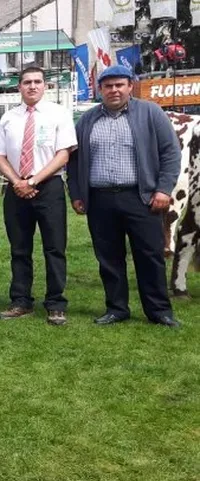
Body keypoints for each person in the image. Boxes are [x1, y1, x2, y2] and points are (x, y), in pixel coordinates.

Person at [68, 66, 182, 327]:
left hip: (141, 198)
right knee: (108, 257)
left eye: (119, 85)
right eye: (108, 86)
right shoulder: (87, 120)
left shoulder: (151, 113)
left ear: (130, 86)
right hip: (100, 200)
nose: (114, 90)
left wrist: (164, 189)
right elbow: (73, 161)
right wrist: (76, 193)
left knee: (150, 255)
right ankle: (117, 308)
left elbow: (170, 152)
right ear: (100, 90)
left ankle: (159, 311)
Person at [0, 66, 78, 325]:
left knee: (54, 247)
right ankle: (20, 301)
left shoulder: (59, 113)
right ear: (19, 87)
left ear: (45, 86)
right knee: (19, 248)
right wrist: (18, 181)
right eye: (27, 82)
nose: (32, 86)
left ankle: (56, 303)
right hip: (16, 189)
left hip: (48, 187)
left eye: (37, 81)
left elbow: (63, 154)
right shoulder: (9, 117)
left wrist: (34, 180)